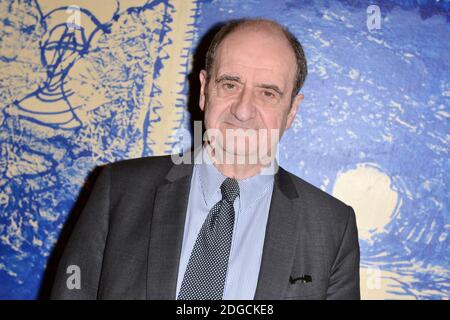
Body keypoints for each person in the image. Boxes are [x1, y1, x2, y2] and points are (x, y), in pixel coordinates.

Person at [51, 18, 360, 300]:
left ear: (292, 110)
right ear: (203, 90)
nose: (242, 109)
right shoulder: (119, 192)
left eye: (267, 93)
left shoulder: (332, 227)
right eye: (230, 84)